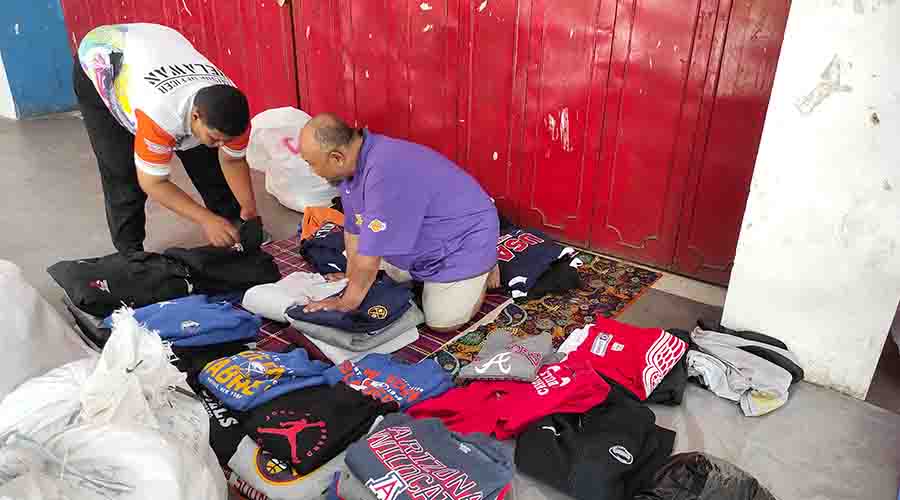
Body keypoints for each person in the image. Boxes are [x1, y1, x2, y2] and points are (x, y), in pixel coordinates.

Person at [299, 114, 500, 331]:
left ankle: (484, 265)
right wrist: (349, 279)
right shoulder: (353, 166)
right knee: (366, 271)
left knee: (442, 322)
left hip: (464, 238)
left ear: (337, 157)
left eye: (312, 164)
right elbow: (354, 230)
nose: (313, 172)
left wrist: (345, 303)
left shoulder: (384, 172)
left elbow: (369, 258)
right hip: (423, 234)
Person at [74, 23, 259, 253]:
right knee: (123, 171)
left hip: (159, 43)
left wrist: (248, 208)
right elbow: (153, 183)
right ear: (195, 115)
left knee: (208, 160)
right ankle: (130, 254)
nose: (222, 145)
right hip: (103, 54)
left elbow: (232, 160)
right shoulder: (160, 115)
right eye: (217, 138)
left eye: (226, 140)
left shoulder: (228, 108)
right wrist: (205, 219)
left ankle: (233, 222)